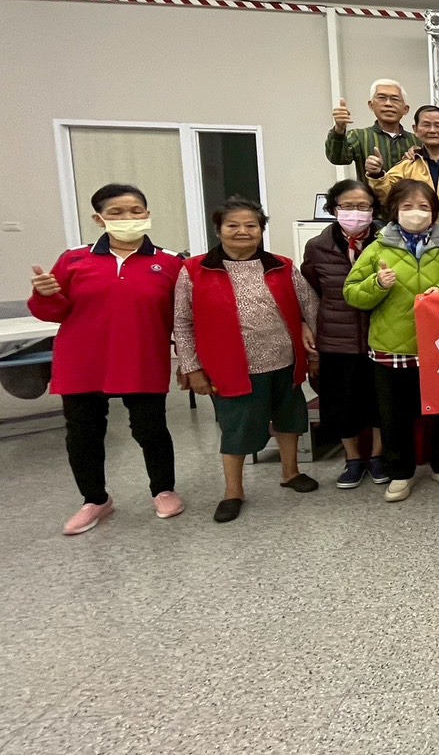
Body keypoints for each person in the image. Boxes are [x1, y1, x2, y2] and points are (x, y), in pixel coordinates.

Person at [28, 183, 186, 536]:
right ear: (99, 219)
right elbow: (53, 312)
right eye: (116, 212)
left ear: (147, 215)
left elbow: (183, 317)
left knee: (151, 429)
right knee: (83, 434)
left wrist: (190, 361)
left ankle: (164, 490)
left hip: (142, 359)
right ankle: (95, 499)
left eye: (135, 211)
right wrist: (45, 295)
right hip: (82, 362)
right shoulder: (73, 260)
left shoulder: (170, 262)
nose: (128, 217)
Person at [174, 197, 320, 524]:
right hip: (231, 367)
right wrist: (191, 366)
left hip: (284, 360)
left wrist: (314, 345)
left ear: (261, 230)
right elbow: (182, 322)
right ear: (218, 230)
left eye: (251, 225)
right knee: (236, 429)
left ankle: (291, 472)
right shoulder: (194, 270)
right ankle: (233, 492)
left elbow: (309, 306)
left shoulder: (282, 266)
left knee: (289, 420)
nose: (243, 231)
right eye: (233, 225)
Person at [344, 180, 439, 504]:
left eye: (424, 207)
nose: (416, 213)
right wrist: (377, 284)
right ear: (394, 210)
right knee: (394, 417)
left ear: (435, 212)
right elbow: (351, 293)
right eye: (407, 206)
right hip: (391, 348)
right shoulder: (377, 248)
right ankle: (400, 472)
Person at [300, 179, 386, 489]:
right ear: (334, 209)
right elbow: (309, 290)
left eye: (363, 206)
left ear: (373, 209)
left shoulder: (387, 242)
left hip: (380, 333)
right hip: (337, 337)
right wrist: (305, 323)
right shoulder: (317, 246)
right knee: (341, 401)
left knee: (379, 401)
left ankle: (378, 456)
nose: (355, 212)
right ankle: (352, 459)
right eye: (348, 206)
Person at [369, 104, 439, 235]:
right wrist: (377, 174)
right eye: (426, 125)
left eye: (438, 125)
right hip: (416, 237)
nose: (432, 130)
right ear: (416, 129)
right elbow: (386, 196)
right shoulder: (407, 164)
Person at [325, 78, 415, 182]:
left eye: (395, 99)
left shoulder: (416, 141)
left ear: (405, 109)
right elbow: (337, 158)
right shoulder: (359, 136)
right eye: (382, 98)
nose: (388, 104)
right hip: (369, 192)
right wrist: (339, 129)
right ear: (371, 105)